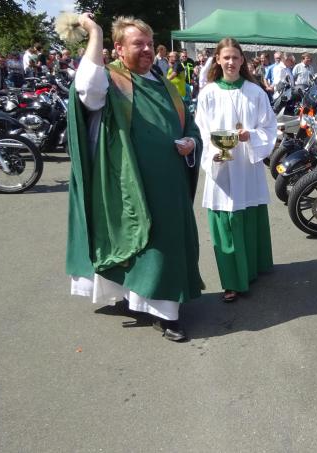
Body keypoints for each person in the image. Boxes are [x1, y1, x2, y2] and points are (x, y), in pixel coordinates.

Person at [66, 13, 203, 342]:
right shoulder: (112, 80)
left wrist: (192, 141)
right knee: (135, 242)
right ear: (118, 48)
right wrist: (94, 33)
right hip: (126, 182)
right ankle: (156, 310)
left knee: (165, 243)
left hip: (168, 183)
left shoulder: (164, 83)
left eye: (148, 43)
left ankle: (162, 308)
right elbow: (86, 89)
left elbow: (188, 121)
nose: (146, 49)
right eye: (137, 44)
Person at [194, 37, 277, 303]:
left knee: (249, 216)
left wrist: (250, 136)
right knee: (226, 222)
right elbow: (201, 130)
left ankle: (251, 270)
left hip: (247, 166)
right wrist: (213, 153)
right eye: (226, 57)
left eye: (236, 57)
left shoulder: (255, 92)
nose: (231, 62)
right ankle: (232, 281)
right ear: (217, 60)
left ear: (243, 61)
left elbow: (269, 128)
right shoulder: (208, 93)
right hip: (222, 168)